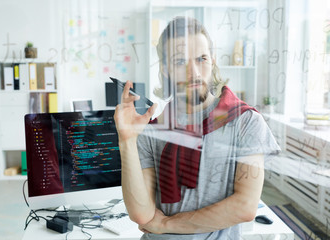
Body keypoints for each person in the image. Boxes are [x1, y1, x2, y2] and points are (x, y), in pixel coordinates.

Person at [114, 16, 280, 239]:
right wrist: (126, 140)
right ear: (166, 70)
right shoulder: (152, 129)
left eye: (201, 58)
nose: (194, 72)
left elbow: (245, 206)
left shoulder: (246, 121)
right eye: (180, 61)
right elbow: (142, 214)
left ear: (212, 61)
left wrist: (165, 224)